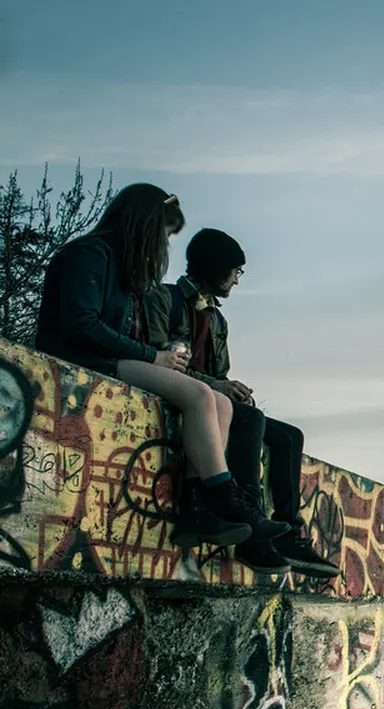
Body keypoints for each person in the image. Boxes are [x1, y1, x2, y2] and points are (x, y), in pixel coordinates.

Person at [34, 184, 258, 545]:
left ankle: (201, 511)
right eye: (165, 234)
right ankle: (221, 496)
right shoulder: (89, 254)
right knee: (200, 394)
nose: (164, 245)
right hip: (80, 361)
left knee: (219, 401)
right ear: (144, 224)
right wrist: (155, 357)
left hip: (106, 359)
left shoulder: (120, 268)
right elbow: (82, 325)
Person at [144, 228, 338, 578]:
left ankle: (289, 531)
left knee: (289, 435)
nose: (236, 280)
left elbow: (220, 371)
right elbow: (160, 357)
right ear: (217, 268)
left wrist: (231, 387)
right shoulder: (165, 299)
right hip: (178, 395)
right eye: (235, 272)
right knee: (250, 420)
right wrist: (217, 385)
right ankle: (250, 531)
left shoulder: (217, 319)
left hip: (214, 402)